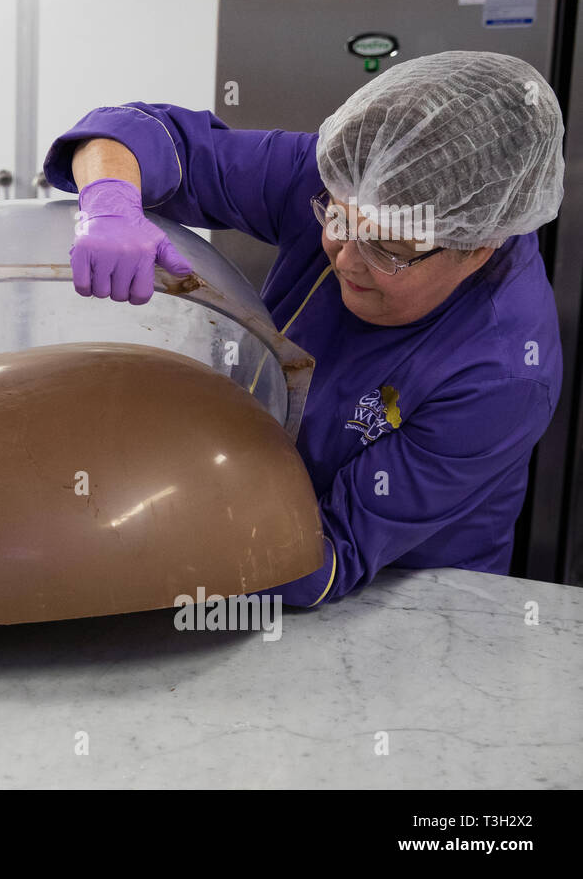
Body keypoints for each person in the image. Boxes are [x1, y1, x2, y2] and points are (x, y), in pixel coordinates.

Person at [43, 50, 564, 607]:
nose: (345, 258)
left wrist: (141, 523)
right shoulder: (354, 179)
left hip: (408, 603)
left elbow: (327, 556)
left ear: (478, 249)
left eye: (387, 248)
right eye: (335, 220)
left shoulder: (502, 375)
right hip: (237, 509)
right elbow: (136, 135)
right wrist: (109, 201)